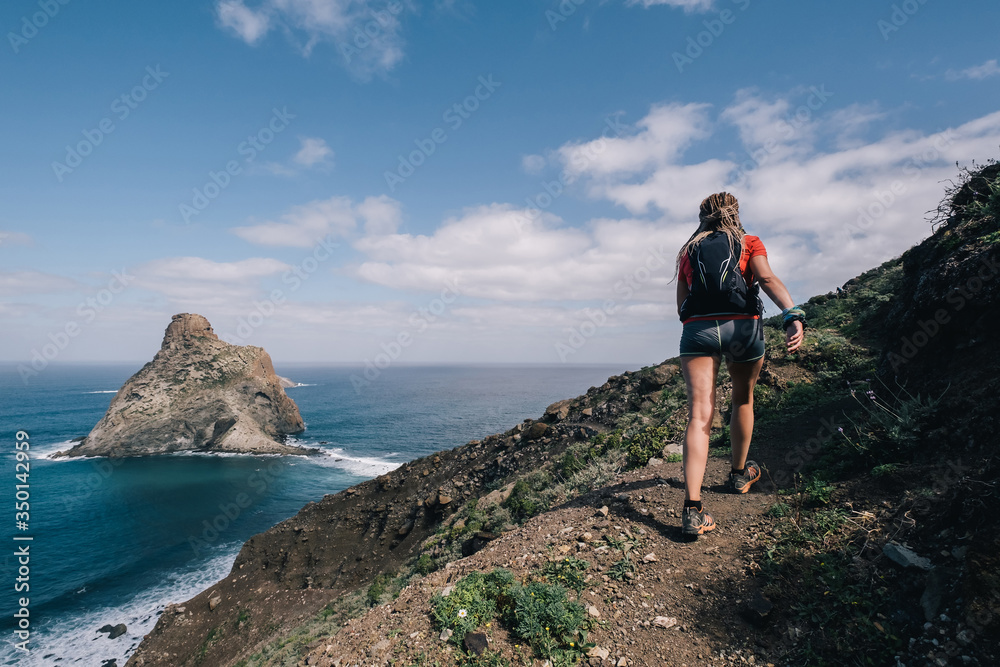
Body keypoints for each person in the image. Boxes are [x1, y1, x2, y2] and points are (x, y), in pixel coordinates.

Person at [674, 192, 805, 536]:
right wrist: (792, 315)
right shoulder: (749, 242)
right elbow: (767, 280)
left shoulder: (688, 251)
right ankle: (738, 475)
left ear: (702, 216)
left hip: (698, 332)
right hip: (743, 328)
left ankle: (692, 509)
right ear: (734, 213)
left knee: (699, 414)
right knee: (742, 399)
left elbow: (681, 306)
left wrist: (704, 327)